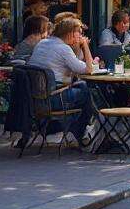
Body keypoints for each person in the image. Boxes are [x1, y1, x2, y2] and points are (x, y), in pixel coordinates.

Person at [26, 17, 95, 145]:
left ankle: (72, 131)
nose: (81, 35)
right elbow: (88, 69)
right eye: (79, 32)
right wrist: (85, 45)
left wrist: (77, 48)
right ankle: (79, 133)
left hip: (36, 98)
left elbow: (75, 64)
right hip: (54, 98)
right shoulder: (63, 49)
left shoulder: (43, 43)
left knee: (82, 87)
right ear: (70, 33)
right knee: (88, 92)